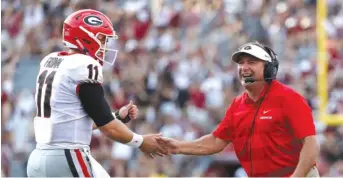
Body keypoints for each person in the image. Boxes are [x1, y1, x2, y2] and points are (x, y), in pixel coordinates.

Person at [27, 9, 167, 178]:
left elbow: (72, 121)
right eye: (102, 38)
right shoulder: (84, 65)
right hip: (68, 156)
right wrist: (141, 142)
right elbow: (107, 127)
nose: (105, 46)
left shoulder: (52, 61)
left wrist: (116, 116)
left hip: (38, 158)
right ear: (85, 36)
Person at [157, 41, 319, 177]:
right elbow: (215, 142)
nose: (244, 67)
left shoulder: (289, 98)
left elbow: (310, 146)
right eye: (241, 63)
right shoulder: (237, 106)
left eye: (252, 62)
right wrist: (178, 147)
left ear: (269, 68)